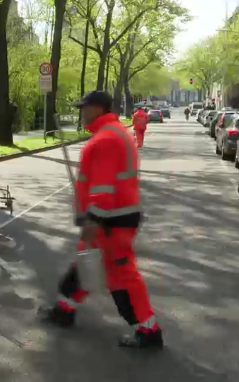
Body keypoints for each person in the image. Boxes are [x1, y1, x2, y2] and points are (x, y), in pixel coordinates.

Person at [39, 90, 164, 350]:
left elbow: (103, 188)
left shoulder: (105, 139)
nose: (81, 112)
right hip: (113, 217)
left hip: (109, 221)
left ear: (97, 108)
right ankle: (64, 310)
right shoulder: (116, 132)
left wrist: (93, 219)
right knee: (85, 265)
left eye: (84, 108)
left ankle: (148, 330)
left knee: (121, 279)